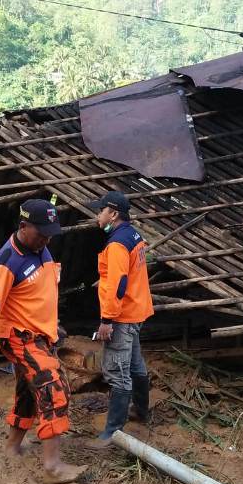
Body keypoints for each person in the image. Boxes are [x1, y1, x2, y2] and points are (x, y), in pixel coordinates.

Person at [0, 199, 86, 484]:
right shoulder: (6, 263)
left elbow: (41, 292)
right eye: (41, 233)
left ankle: (12, 446)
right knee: (54, 387)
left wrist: (52, 325)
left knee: (28, 388)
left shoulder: (40, 248)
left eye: (50, 234)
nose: (47, 239)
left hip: (39, 333)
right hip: (18, 337)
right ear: (23, 226)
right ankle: (52, 466)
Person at [87, 191, 154, 447]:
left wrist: (107, 321)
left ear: (113, 214)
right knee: (136, 365)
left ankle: (112, 432)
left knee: (117, 372)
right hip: (136, 311)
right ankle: (141, 411)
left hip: (122, 316)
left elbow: (117, 284)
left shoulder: (116, 244)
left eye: (100, 210)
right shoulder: (132, 235)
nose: (97, 215)